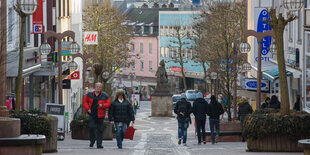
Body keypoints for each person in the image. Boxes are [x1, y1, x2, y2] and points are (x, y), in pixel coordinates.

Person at [83, 82, 111, 149]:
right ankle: (92, 141)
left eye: (100, 87)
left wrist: (102, 105)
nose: (98, 88)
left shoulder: (105, 95)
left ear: (101, 88)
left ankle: (99, 144)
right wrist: (88, 109)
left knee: (100, 130)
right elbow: (85, 102)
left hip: (101, 115)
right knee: (91, 127)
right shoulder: (89, 95)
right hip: (92, 114)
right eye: (97, 86)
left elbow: (109, 103)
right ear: (95, 87)